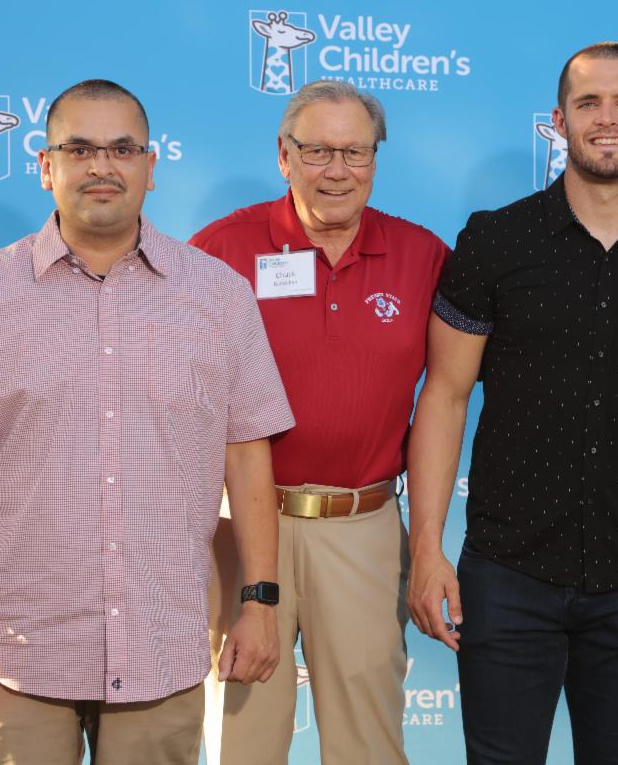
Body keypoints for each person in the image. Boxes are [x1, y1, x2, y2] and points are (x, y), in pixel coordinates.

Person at [0, 79, 293, 765]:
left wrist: (259, 602)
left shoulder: (219, 297)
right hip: (13, 652)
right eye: (79, 149)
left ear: (150, 167)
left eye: (121, 149)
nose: (102, 166)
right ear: (46, 166)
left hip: (162, 643)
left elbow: (248, 455)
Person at [407, 42, 618, 764]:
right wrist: (425, 546)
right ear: (558, 120)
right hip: (505, 577)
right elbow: (442, 396)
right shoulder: (494, 241)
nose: (607, 118)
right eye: (588, 103)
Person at [190, 80, 449, 765]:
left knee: (369, 743)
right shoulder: (219, 251)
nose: (338, 171)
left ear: (376, 158)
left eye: (356, 153)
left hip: (362, 528)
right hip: (241, 529)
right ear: (284, 155)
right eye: (318, 152)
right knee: (240, 738)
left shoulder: (423, 257)